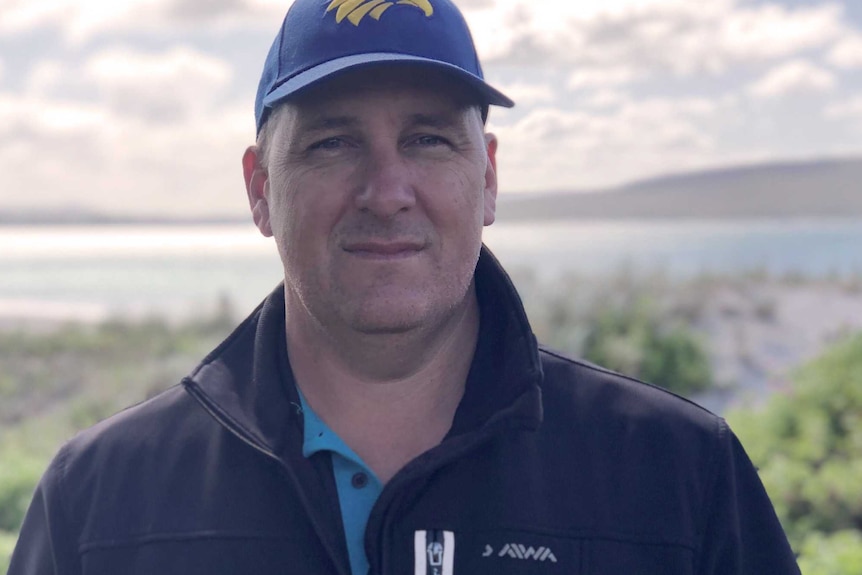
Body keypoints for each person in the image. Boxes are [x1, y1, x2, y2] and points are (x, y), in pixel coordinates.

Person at [9, 0, 800, 573]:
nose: (387, 189)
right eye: (330, 143)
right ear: (259, 190)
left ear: (487, 178)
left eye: (426, 139)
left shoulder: (679, 476)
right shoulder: (98, 504)